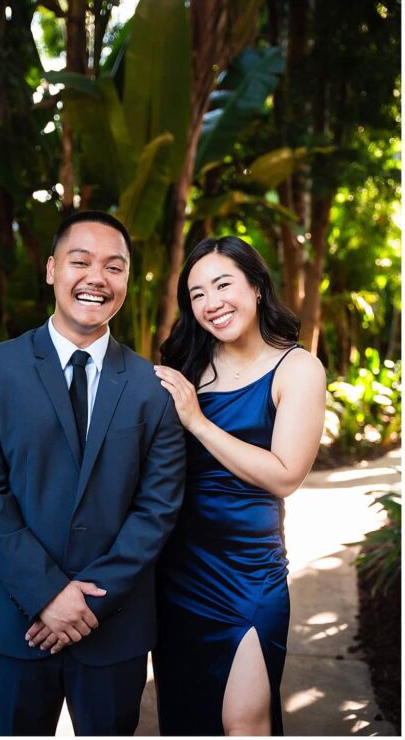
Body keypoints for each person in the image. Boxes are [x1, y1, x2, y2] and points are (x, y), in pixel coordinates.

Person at [0, 211, 186, 736]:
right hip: (12, 618)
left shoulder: (152, 387)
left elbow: (157, 508)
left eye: (113, 267)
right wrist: (47, 594)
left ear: (126, 281)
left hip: (111, 623)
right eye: (80, 261)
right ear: (51, 270)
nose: (97, 277)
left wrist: (89, 600)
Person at [153, 236, 326, 736]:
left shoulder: (297, 367)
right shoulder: (188, 369)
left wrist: (199, 422)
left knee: (245, 720)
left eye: (223, 284)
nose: (212, 303)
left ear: (255, 285)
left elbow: (286, 473)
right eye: (197, 294)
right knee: (186, 718)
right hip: (178, 573)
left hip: (249, 574)